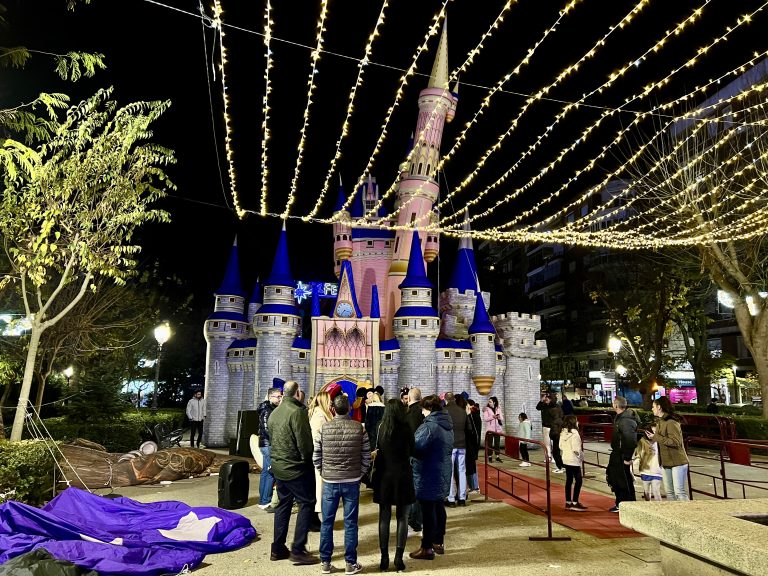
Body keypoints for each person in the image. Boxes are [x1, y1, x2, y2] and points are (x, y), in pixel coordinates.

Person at [313, 394, 370, 576]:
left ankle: (325, 563)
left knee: (327, 523)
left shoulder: (324, 429)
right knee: (350, 523)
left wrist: (324, 473)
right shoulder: (360, 429)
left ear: (333, 409)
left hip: (330, 482)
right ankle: (350, 564)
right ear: (350, 408)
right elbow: (366, 456)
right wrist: (359, 474)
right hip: (352, 481)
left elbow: (316, 456)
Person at [267, 380, 319, 565]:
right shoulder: (297, 412)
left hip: (279, 467)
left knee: (283, 505)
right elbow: (304, 444)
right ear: (297, 394)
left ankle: (278, 548)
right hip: (295, 468)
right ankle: (298, 550)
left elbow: (272, 438)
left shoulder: (275, 413)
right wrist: (307, 461)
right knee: (307, 503)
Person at [371, 399, 415, 573]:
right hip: (403, 475)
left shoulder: (381, 427)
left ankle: (383, 558)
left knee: (384, 516)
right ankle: (398, 557)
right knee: (403, 517)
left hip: (384, 476)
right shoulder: (406, 429)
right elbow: (413, 450)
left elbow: (378, 449)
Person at [410, 395, 453, 561]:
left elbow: (416, 446)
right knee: (438, 507)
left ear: (428, 409)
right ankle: (438, 542)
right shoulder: (446, 424)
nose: (421, 412)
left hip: (428, 472)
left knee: (427, 511)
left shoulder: (429, 427)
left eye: (423, 409)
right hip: (442, 471)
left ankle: (427, 547)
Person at [309, 384, 340, 531]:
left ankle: (316, 518)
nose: (331, 404)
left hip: (324, 456)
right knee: (318, 488)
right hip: (320, 457)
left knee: (321, 489)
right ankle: (313, 519)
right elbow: (317, 438)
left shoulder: (323, 414)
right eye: (329, 401)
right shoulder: (318, 416)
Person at [647, 396, 690, 501]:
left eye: (653, 406)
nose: (652, 409)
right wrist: (653, 438)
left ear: (659, 407)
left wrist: (656, 437)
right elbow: (661, 439)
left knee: (679, 492)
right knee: (670, 492)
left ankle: (688, 514)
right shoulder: (660, 421)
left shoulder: (671, 422)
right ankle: (673, 515)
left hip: (677, 461)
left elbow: (675, 442)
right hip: (666, 462)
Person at [606, 396, 638, 512]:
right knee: (616, 479)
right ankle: (621, 503)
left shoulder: (625, 420)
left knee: (623, 480)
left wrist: (627, 457)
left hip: (621, 454)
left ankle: (627, 503)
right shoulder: (621, 418)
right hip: (618, 453)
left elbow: (630, 440)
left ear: (616, 405)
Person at [256, 387, 282, 509]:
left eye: (280, 396)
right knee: (271, 472)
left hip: (267, 444)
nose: (279, 398)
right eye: (277, 396)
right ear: (270, 396)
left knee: (266, 472)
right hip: (268, 444)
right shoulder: (266, 410)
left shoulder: (270, 408)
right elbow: (267, 429)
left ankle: (263, 500)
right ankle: (265, 500)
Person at [444, 392, 471, 507]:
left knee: (449, 472)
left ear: (446, 400)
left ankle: (451, 498)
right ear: (454, 399)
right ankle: (462, 498)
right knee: (462, 471)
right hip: (462, 444)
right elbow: (468, 428)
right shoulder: (462, 411)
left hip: (450, 445)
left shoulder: (444, 411)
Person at [405, 387, 424, 539]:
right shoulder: (425, 413)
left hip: (413, 456)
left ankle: (415, 523)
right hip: (426, 456)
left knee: (414, 491)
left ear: (409, 398)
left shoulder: (410, 414)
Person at [559, 415, 587, 511]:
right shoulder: (575, 434)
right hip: (573, 460)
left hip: (566, 459)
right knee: (578, 480)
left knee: (569, 480)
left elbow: (560, 446)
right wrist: (581, 457)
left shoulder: (563, 433)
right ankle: (575, 502)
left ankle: (568, 502)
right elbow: (576, 450)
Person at [632, 430, 663, 501]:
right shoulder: (642, 442)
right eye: (652, 431)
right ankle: (648, 507)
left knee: (656, 492)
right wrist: (632, 463)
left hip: (657, 472)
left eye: (655, 431)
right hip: (645, 471)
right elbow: (638, 456)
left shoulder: (660, 443)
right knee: (646, 492)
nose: (652, 434)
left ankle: (660, 509)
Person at [460, 396, 480, 492]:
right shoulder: (470, 416)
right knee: (469, 466)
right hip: (469, 445)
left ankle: (474, 486)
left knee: (471, 466)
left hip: (470, 445)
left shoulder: (472, 416)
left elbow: (474, 432)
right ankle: (472, 486)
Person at [546, 393, 566, 474]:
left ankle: (561, 467)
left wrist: (552, 435)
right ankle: (561, 466)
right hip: (558, 434)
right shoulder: (558, 410)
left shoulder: (554, 416)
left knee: (556, 452)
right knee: (556, 452)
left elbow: (553, 431)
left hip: (556, 435)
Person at [483, 396, 503, 462]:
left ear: (494, 402)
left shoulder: (498, 409)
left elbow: (502, 418)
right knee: (490, 444)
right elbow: (485, 419)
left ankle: (497, 456)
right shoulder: (486, 409)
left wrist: (498, 417)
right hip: (490, 430)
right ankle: (490, 456)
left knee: (497, 443)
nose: (489, 403)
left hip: (497, 429)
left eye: (490, 402)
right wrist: (493, 417)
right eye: (489, 401)